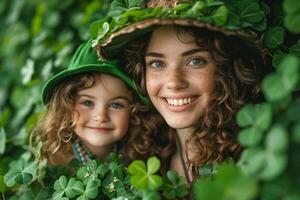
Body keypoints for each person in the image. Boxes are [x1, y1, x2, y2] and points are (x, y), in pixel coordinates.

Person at [92, 0, 266, 182]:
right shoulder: (144, 152)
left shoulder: (252, 157)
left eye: (195, 61)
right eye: (157, 64)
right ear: (141, 72)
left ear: (225, 68)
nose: (174, 83)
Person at [32, 40, 154, 166]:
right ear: (67, 106)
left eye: (116, 105)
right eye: (88, 103)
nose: (101, 116)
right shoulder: (52, 163)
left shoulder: (140, 160)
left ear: (134, 110)